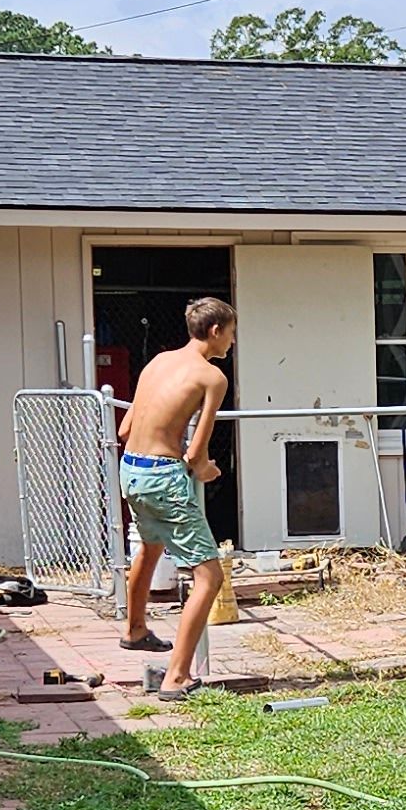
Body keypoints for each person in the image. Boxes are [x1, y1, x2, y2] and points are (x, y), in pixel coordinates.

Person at [117, 296, 236, 696]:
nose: (232, 343)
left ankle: (135, 630)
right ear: (216, 331)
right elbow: (196, 455)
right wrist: (208, 470)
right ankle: (178, 677)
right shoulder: (212, 378)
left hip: (131, 470)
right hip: (164, 478)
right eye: (232, 334)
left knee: (150, 547)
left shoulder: (158, 362)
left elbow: (124, 429)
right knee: (209, 577)